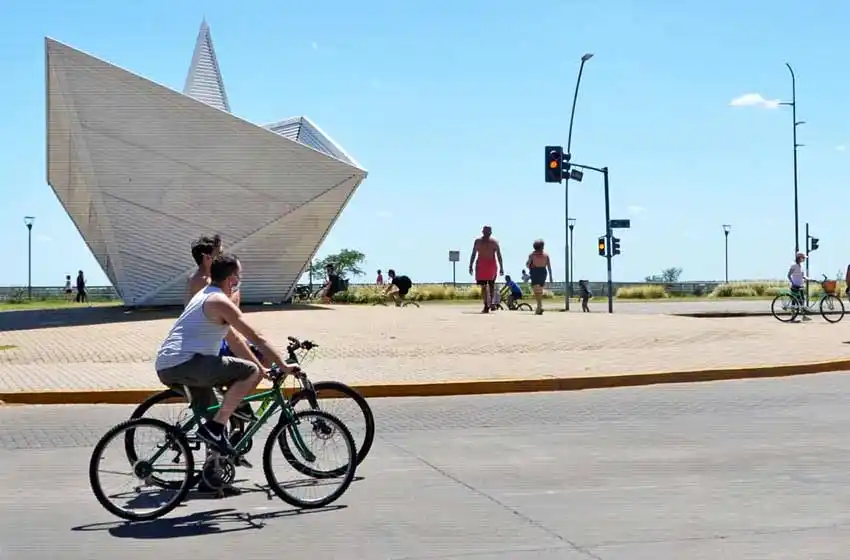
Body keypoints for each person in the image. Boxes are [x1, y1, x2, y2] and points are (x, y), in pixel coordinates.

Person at [155, 254, 299, 457]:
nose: (239, 280)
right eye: (239, 276)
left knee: (214, 414)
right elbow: (256, 337)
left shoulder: (204, 295)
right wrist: (283, 365)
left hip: (169, 366)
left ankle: (213, 469)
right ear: (231, 278)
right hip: (187, 364)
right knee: (247, 373)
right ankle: (216, 429)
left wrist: (262, 368)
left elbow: (236, 341)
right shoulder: (220, 301)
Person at [468, 225, 504, 314]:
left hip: (489, 266)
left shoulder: (493, 242)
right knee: (486, 286)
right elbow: (473, 254)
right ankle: (487, 304)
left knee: (489, 285)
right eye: (486, 231)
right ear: (483, 232)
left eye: (488, 232)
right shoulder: (479, 242)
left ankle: (489, 304)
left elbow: (499, 255)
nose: (487, 233)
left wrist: (501, 267)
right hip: (483, 266)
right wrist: (470, 265)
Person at [526, 240, 552, 315]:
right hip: (543, 272)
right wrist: (550, 276)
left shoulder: (532, 255)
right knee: (539, 290)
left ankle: (539, 306)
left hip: (535, 271)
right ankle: (539, 307)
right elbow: (549, 267)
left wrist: (529, 264)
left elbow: (528, 265)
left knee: (536, 290)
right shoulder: (546, 255)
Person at [787, 252, 810, 321]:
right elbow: (789, 275)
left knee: (802, 301)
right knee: (794, 301)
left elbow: (803, 276)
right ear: (799, 258)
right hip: (795, 286)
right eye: (803, 258)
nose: (804, 259)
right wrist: (792, 282)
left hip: (800, 286)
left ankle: (804, 316)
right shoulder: (794, 266)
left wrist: (809, 279)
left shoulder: (802, 266)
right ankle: (793, 316)